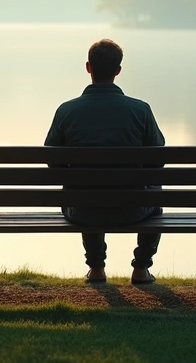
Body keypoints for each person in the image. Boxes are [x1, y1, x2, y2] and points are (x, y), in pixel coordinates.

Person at [44, 38, 165, 285]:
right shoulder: (140, 110)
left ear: (88, 67)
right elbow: (158, 160)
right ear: (118, 70)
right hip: (133, 210)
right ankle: (141, 268)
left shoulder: (67, 111)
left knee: (84, 190)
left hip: (82, 210)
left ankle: (97, 267)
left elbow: (52, 161)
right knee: (155, 192)